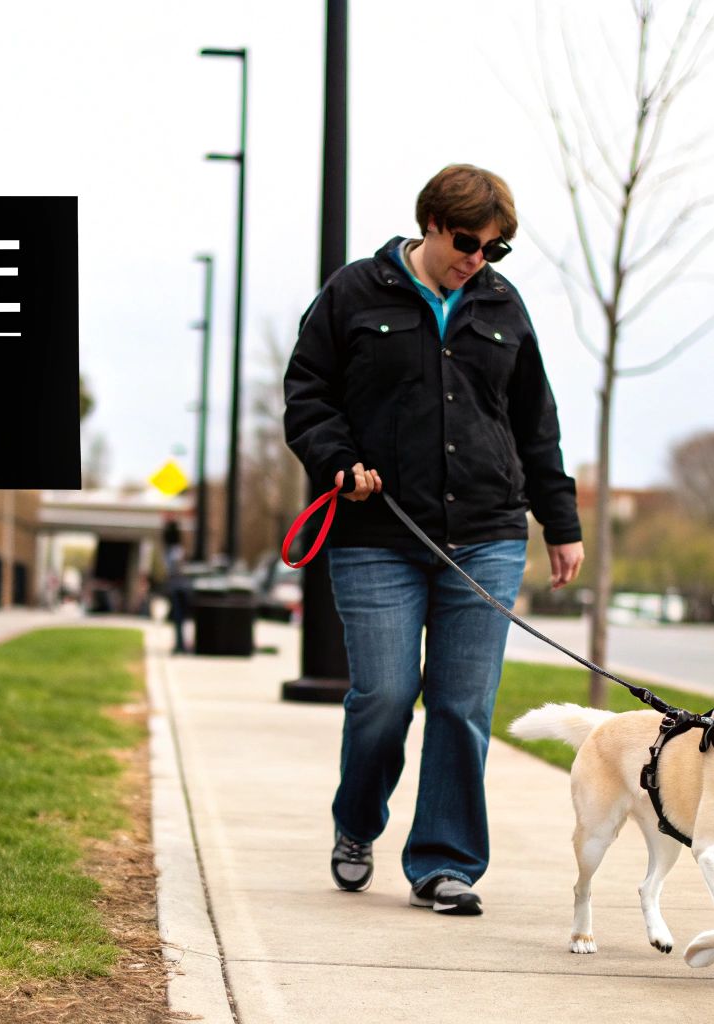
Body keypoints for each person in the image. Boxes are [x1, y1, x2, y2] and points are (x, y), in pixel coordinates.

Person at [283, 164, 584, 916]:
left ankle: (445, 863)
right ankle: (356, 824)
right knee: (385, 695)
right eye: (466, 241)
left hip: (485, 534)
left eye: (495, 248)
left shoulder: (502, 306)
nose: (477, 258)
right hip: (375, 533)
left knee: (462, 704)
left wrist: (561, 521)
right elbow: (307, 392)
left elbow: (534, 421)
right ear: (429, 224)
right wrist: (337, 460)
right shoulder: (355, 292)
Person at [161, 513, 191, 653]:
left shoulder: (173, 552)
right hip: (178, 587)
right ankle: (180, 644)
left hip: (178, 588)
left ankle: (180, 645)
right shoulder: (174, 551)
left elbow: (176, 571)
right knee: (178, 619)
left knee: (179, 618)